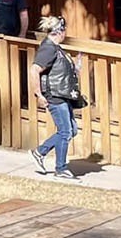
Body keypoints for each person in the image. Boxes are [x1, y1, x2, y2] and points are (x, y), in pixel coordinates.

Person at [30, 16, 82, 180]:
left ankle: (40, 152)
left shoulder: (56, 48)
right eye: (65, 30)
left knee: (71, 130)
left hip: (63, 95)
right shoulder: (49, 48)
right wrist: (38, 94)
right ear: (60, 31)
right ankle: (61, 168)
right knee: (65, 131)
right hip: (55, 96)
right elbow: (34, 70)